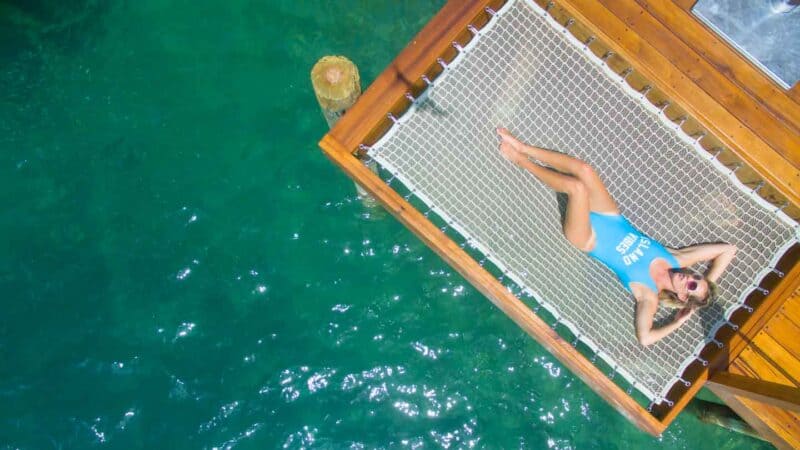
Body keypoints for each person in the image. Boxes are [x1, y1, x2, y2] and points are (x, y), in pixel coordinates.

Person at [497, 128, 737, 346]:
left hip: (588, 237)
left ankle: (520, 161)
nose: (689, 278)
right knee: (584, 170)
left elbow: (645, 338)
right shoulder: (677, 259)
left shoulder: (648, 295)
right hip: (610, 217)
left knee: (576, 188)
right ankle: (524, 148)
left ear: (683, 296)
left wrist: (680, 320)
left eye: (692, 285)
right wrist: (708, 282)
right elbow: (728, 249)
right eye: (695, 276)